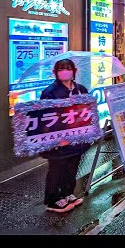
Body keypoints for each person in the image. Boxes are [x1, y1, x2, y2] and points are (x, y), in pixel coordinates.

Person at [39, 59, 90, 213]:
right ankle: (52, 200)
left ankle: (67, 193)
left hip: (76, 139)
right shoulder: (50, 92)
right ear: (55, 72)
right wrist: (56, 138)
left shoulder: (81, 89)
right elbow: (45, 117)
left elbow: (87, 112)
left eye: (67, 68)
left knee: (72, 166)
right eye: (61, 69)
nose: (64, 71)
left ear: (74, 71)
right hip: (59, 140)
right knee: (57, 168)